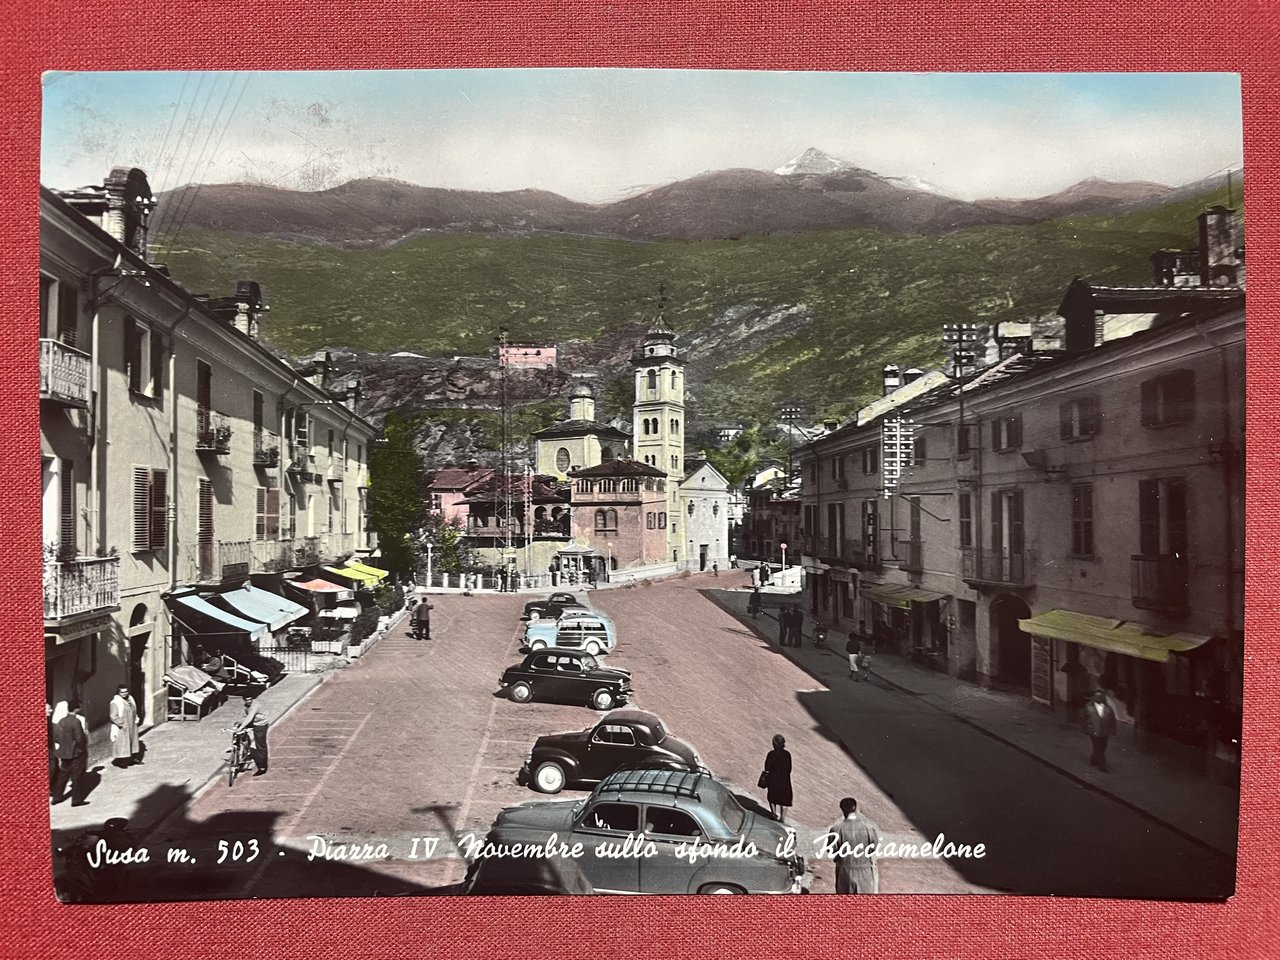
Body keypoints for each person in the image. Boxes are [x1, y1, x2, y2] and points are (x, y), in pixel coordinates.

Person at [830, 796, 881, 893]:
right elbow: (873, 847)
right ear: (855, 808)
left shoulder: (836, 830)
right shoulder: (868, 828)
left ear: (842, 809)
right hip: (865, 872)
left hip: (844, 872)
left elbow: (832, 850)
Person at [52, 700, 89, 806]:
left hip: (64, 753)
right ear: (76, 709)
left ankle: (57, 797)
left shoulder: (61, 721)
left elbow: (57, 737)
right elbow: (79, 738)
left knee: (62, 775)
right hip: (76, 753)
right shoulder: (76, 721)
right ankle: (76, 800)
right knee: (77, 776)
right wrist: (82, 749)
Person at [233, 696, 270, 776]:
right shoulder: (246, 706)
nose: (249, 701)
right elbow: (245, 716)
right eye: (247, 700)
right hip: (253, 722)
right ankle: (244, 748)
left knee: (260, 745)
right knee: (238, 733)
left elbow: (250, 717)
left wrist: (242, 726)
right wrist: (238, 723)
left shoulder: (255, 705)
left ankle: (262, 768)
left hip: (260, 725)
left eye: (250, 699)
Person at [108, 684, 142, 768]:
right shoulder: (115, 702)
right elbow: (113, 716)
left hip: (132, 724)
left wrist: (135, 719)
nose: (124, 694)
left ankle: (134, 758)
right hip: (122, 726)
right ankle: (121, 762)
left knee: (133, 742)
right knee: (122, 743)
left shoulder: (130, 699)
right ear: (118, 692)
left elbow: (134, 710)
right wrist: (122, 724)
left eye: (126, 691)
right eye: (122, 692)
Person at [1084, 689, 1118, 772]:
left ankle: (1093, 759)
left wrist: (1113, 730)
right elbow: (1084, 718)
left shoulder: (1108, 708)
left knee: (1103, 747)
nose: (1098, 698)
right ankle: (1103, 766)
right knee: (1098, 747)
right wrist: (1085, 728)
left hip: (1104, 732)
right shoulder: (1089, 707)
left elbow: (1112, 720)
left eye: (1100, 696)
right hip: (1094, 731)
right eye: (1096, 696)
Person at [762, 734, 793, 822]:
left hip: (773, 779)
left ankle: (774, 814)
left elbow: (767, 767)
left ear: (775, 744)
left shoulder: (771, 754)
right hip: (784, 780)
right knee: (784, 799)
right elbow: (789, 768)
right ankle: (782, 819)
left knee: (772, 797)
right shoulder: (787, 754)